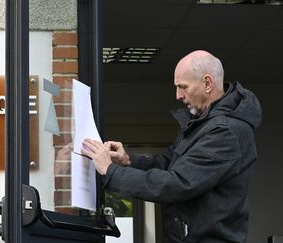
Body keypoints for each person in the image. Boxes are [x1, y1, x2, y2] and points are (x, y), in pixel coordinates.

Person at [81, 50, 262, 243]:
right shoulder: (200, 124)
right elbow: (166, 163)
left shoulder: (226, 132)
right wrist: (128, 160)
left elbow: (177, 184)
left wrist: (110, 171)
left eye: (183, 87)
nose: (178, 95)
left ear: (207, 83)